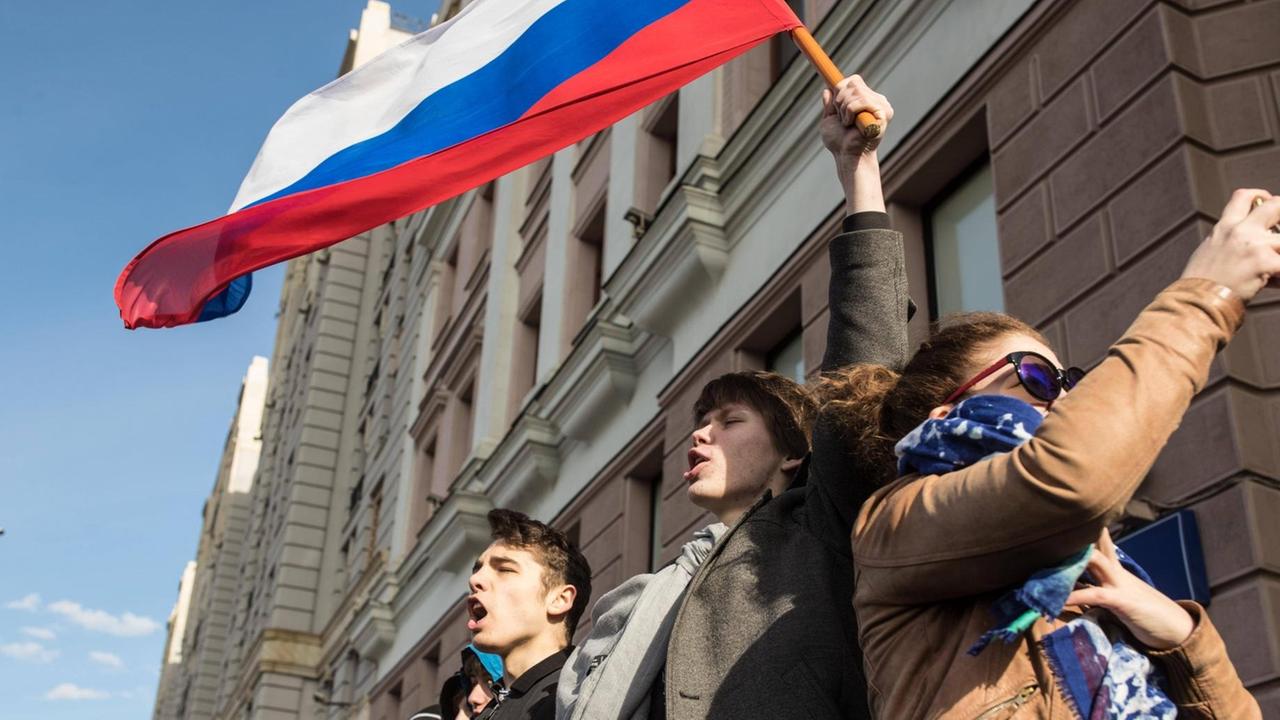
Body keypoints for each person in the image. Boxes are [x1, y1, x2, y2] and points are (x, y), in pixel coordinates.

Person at [828, 189, 1279, 717]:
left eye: (1069, 382)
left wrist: (1182, 639)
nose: (1064, 398)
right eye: (1036, 376)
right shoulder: (898, 519)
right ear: (944, 414)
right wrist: (1206, 293)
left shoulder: (1103, 567)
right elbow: (1072, 477)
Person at [655, 76, 910, 720]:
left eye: (729, 421)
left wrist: (859, 173)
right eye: (700, 421)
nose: (700, 435)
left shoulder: (820, 529)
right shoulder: (653, 591)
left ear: (794, 456)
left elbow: (865, 362)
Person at [468, 509, 592, 720]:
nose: (475, 580)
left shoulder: (584, 698)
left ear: (559, 600)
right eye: (477, 569)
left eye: (505, 570)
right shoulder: (488, 712)